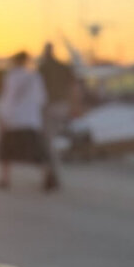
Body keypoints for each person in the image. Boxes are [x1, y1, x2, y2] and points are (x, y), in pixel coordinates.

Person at [0, 50, 56, 191]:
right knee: (37, 153)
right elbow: (42, 99)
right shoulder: (35, 77)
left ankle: (5, 179)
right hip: (31, 120)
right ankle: (47, 177)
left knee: (6, 152)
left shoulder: (12, 76)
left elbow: (8, 99)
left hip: (13, 120)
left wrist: (3, 118)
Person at [38, 42, 77, 188]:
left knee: (47, 143)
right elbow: (74, 87)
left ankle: (51, 175)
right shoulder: (63, 67)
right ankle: (52, 174)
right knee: (55, 141)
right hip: (63, 107)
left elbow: (37, 90)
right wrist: (74, 106)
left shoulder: (43, 68)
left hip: (48, 107)